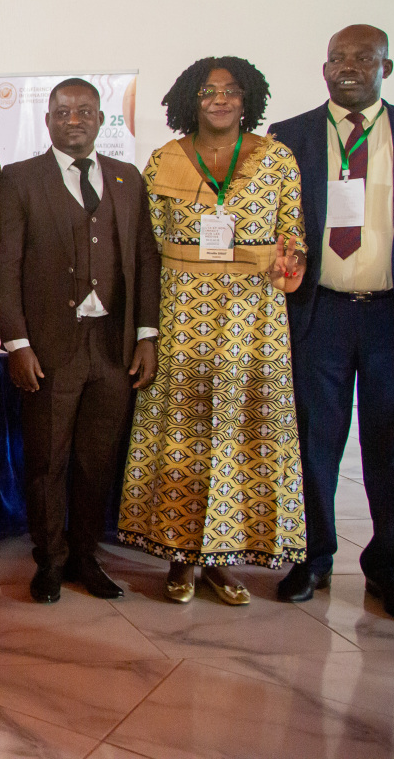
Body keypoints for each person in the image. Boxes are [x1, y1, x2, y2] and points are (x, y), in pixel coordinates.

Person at [269, 25, 394, 624]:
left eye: (364, 57)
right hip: (317, 314)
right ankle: (312, 558)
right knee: (313, 445)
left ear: (386, 67)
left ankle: (389, 570)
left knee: (390, 450)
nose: (349, 66)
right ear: (324, 69)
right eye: (338, 58)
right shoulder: (288, 137)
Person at [118, 56, 306, 605]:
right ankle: (180, 557)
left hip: (254, 320)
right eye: (207, 90)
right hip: (182, 317)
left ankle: (224, 559)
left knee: (240, 435)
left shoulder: (276, 159)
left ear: (247, 99)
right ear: (190, 100)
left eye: (230, 90)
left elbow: (292, 233)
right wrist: (146, 330)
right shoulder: (164, 160)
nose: (219, 99)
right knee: (185, 435)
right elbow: (147, 248)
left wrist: (284, 260)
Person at [0, 78, 160, 603]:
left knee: (96, 461)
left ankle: (86, 555)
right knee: (48, 462)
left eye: (85, 111)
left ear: (101, 119)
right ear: (47, 121)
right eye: (62, 112)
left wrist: (146, 335)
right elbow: (4, 265)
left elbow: (145, 260)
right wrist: (17, 343)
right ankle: (50, 559)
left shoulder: (127, 178)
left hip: (113, 346)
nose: (74, 120)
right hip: (50, 348)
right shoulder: (20, 179)